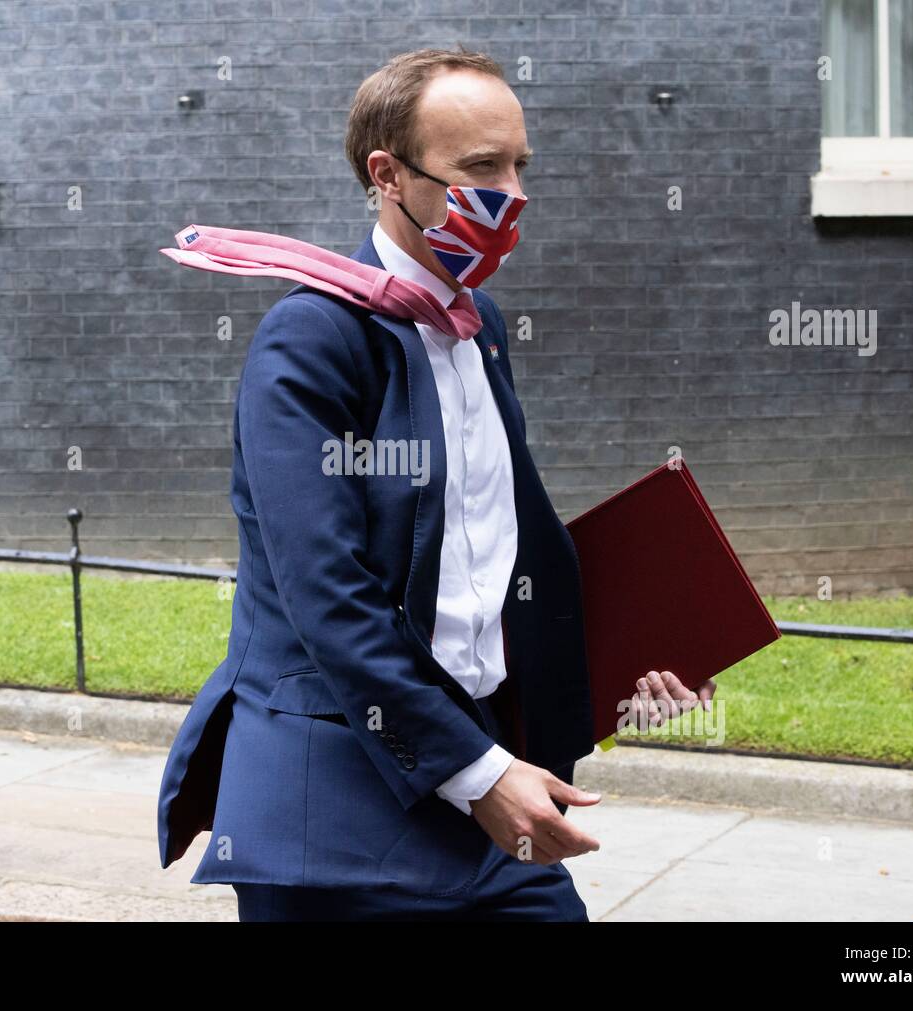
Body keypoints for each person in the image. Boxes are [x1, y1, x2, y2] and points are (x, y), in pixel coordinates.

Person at [156, 46, 712, 922]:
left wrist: (629, 660)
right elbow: (325, 594)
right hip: (337, 812)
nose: (511, 194)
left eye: (520, 165)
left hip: (484, 783)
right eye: (482, 168)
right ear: (388, 176)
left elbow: (493, 549)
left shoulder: (478, 324)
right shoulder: (311, 340)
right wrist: (477, 772)